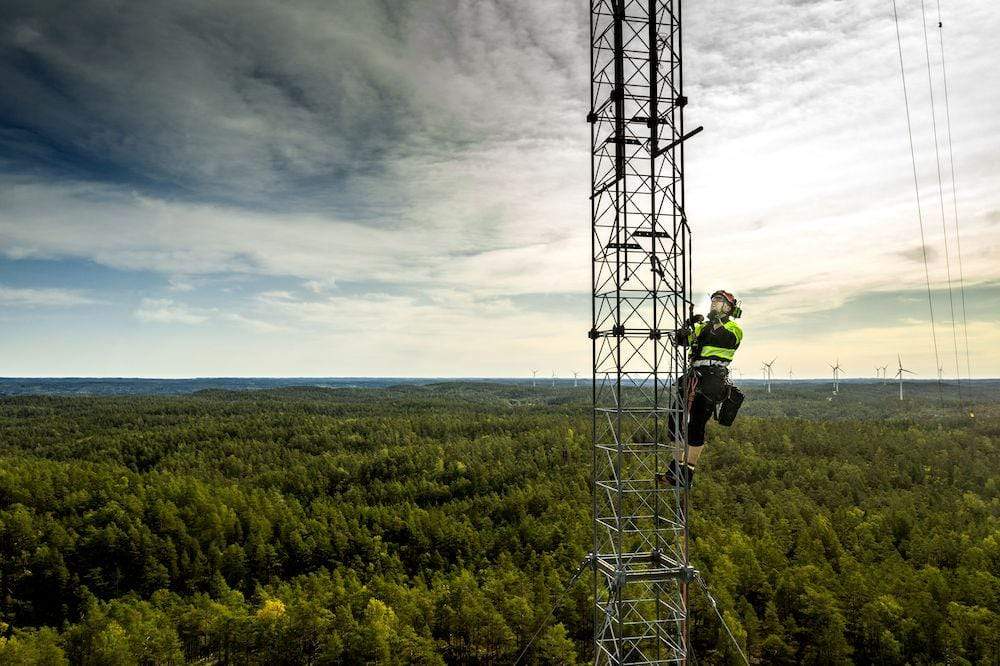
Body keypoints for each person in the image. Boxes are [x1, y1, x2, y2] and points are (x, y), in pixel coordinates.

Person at [659, 289, 743, 488]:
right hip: (693, 376)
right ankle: (676, 468)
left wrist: (704, 326)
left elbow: (721, 338)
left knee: (696, 425)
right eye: (714, 300)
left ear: (729, 308)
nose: (715, 303)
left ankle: (686, 472)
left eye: (720, 301)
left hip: (713, 378)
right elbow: (681, 341)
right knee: (674, 422)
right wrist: (686, 328)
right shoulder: (703, 327)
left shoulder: (733, 328)